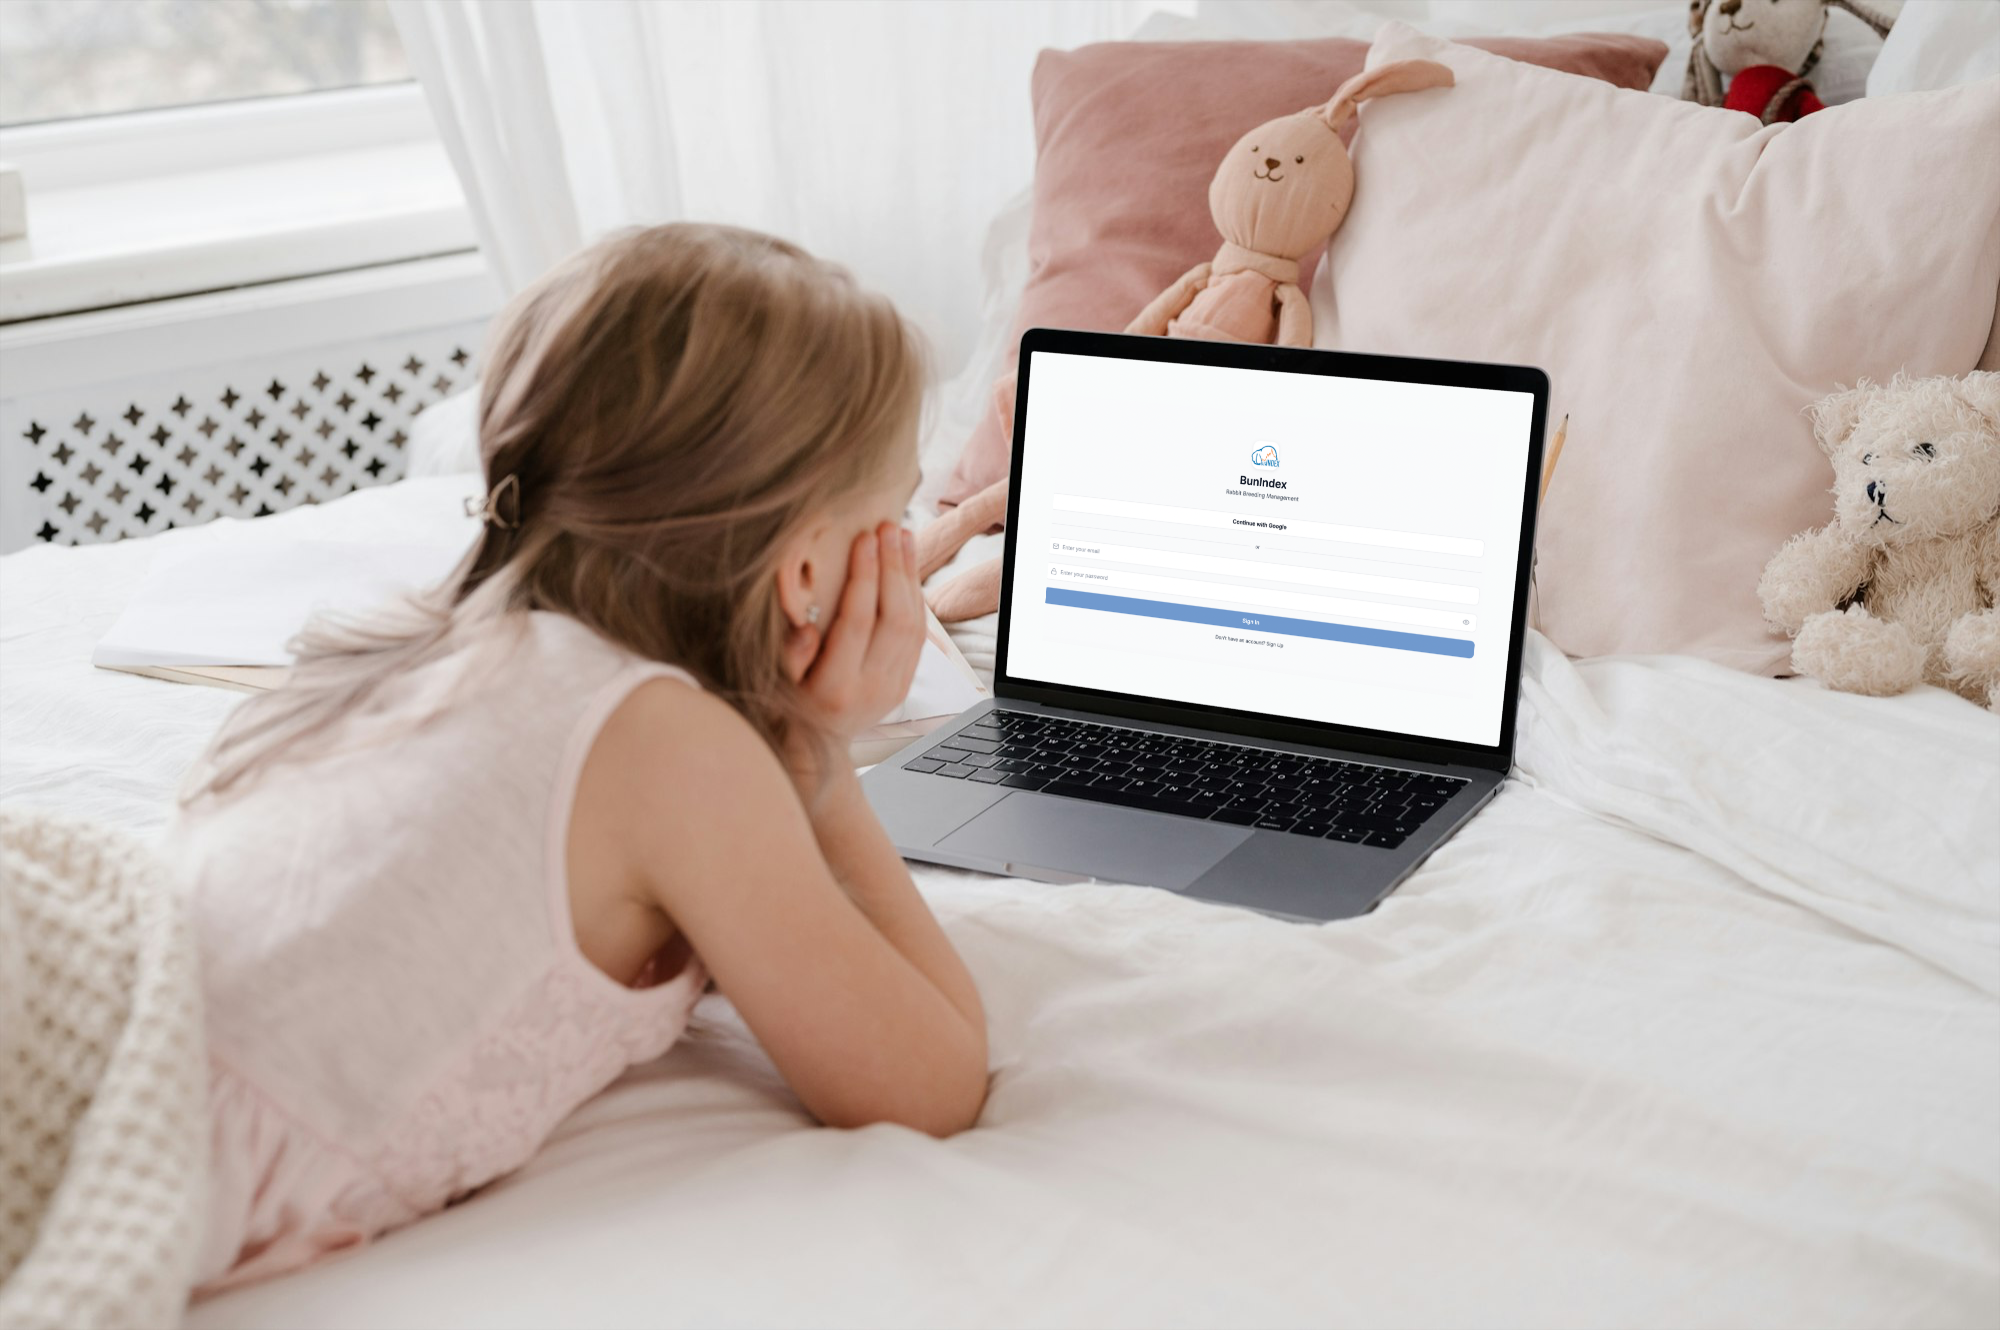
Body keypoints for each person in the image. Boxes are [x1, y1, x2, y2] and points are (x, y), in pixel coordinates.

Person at [168, 223, 989, 1291]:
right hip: (153, 1129)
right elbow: (933, 1082)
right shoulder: (677, 750)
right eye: (894, 516)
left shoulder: (426, 646)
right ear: (801, 577)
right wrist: (815, 759)